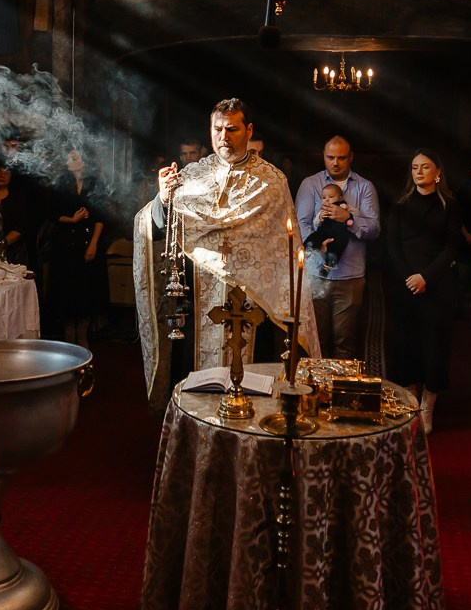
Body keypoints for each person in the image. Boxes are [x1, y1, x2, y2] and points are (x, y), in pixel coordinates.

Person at [133, 98, 314, 414]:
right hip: (202, 302)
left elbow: (286, 250)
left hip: (255, 304)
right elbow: (160, 226)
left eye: (232, 129)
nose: (224, 137)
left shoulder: (272, 182)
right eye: (218, 129)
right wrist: (163, 199)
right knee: (197, 388)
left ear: (249, 130)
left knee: (255, 389)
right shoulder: (190, 177)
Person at [386, 151, 460, 432]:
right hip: (404, 285)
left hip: (437, 284)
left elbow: (452, 246)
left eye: (425, 167)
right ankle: (410, 405)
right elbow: (392, 245)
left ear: (437, 172)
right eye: (415, 167)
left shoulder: (449, 206)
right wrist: (409, 277)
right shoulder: (401, 204)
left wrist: (426, 277)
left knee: (434, 345)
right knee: (406, 345)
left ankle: (427, 408)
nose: (419, 172)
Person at [293, 135, 379, 363]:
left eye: (342, 158)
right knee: (315, 339)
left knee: (345, 341)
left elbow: (374, 229)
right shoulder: (310, 185)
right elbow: (299, 223)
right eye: (330, 157)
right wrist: (316, 245)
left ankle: (341, 396)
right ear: (323, 156)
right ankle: (313, 395)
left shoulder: (364, 187)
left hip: (350, 275)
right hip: (315, 273)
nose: (336, 163)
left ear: (351, 158)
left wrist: (348, 218)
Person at [44, 148, 108, 345]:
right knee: (66, 290)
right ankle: (68, 335)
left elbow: (100, 217)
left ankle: (83, 333)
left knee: (87, 290)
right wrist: (72, 219)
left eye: (74, 157)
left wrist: (93, 244)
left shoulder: (95, 183)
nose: (69, 160)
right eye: (68, 157)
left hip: (88, 242)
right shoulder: (60, 183)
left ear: (84, 161)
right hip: (64, 245)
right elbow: (52, 213)